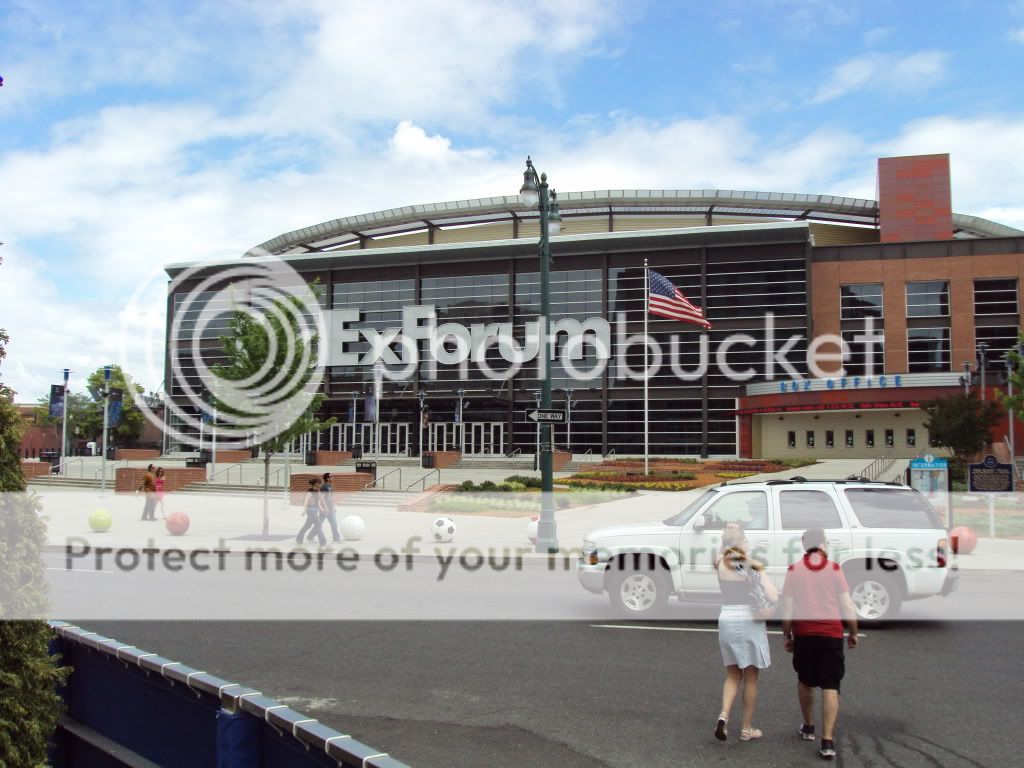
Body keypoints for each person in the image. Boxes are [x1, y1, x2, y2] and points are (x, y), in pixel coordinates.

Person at [781, 528, 859, 761]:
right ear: (823, 545)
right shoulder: (834, 569)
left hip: (804, 634)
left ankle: (808, 726)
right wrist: (854, 632)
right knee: (830, 686)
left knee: (805, 681)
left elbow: (787, 608)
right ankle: (827, 740)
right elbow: (847, 605)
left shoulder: (794, 570)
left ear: (805, 546)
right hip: (831, 635)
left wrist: (788, 635)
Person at [713, 524, 779, 742]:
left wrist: (727, 538)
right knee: (751, 678)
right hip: (749, 618)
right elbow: (773, 596)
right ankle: (746, 728)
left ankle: (724, 715)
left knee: (732, 674)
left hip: (727, 618)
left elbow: (719, 554)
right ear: (742, 544)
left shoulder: (720, 563)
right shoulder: (753, 565)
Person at [296, 477, 326, 547]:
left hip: (315, 510)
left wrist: (322, 509)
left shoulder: (318, 491)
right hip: (310, 510)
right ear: (315, 483)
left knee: (307, 526)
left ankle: (299, 539)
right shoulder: (310, 492)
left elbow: (318, 502)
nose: (320, 484)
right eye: (319, 483)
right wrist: (304, 510)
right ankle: (323, 542)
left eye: (320, 483)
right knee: (318, 525)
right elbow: (306, 501)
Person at [311, 472, 341, 544]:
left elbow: (331, 497)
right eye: (331, 476)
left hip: (330, 508)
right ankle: (311, 536)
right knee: (319, 523)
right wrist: (325, 507)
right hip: (325, 509)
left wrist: (333, 506)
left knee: (334, 523)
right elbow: (321, 497)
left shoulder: (330, 486)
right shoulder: (324, 486)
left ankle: (336, 539)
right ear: (327, 478)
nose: (333, 477)